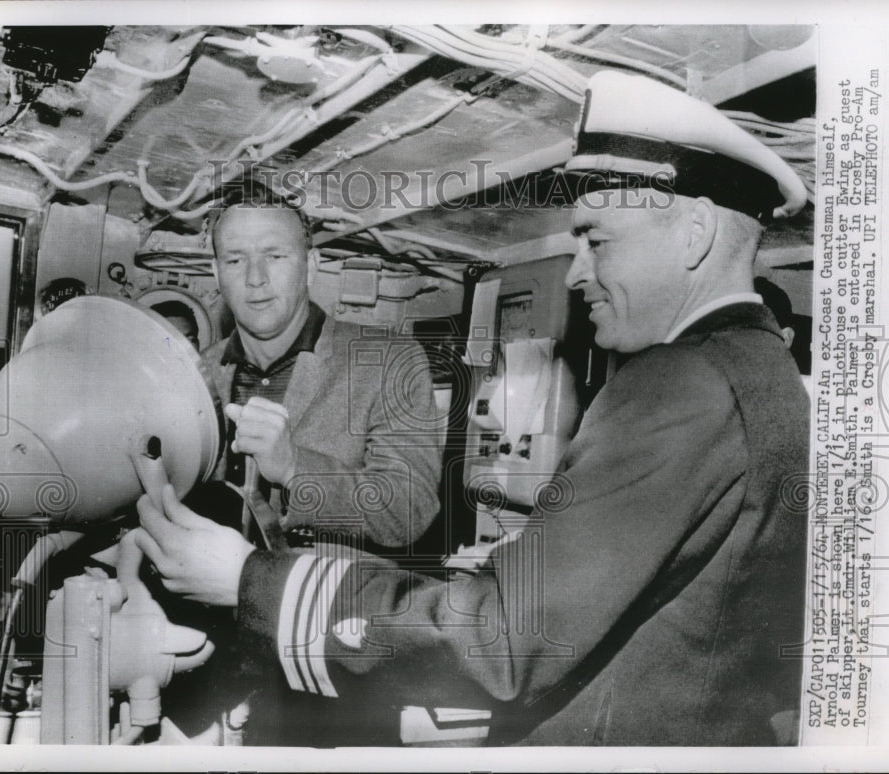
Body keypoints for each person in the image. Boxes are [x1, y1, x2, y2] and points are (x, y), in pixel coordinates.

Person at [133, 71, 811, 746]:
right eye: (233, 259)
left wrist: (252, 574)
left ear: (694, 233)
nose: (575, 274)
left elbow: (500, 635)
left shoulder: (680, 384)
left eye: (596, 241)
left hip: (335, 665)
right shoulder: (751, 371)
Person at [198, 191, 442, 551]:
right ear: (216, 273)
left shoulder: (387, 360)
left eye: (275, 256)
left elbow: (409, 510)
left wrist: (296, 468)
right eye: (235, 261)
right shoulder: (198, 372)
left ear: (311, 265)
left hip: (326, 603)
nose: (255, 278)